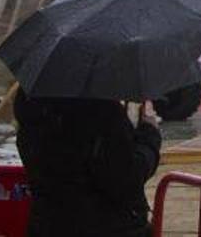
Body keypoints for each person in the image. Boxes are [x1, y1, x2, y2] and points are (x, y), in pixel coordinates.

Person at [13, 91, 163, 237]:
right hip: (108, 226)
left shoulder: (30, 102)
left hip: (48, 225)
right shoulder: (99, 109)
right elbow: (125, 178)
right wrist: (149, 135)